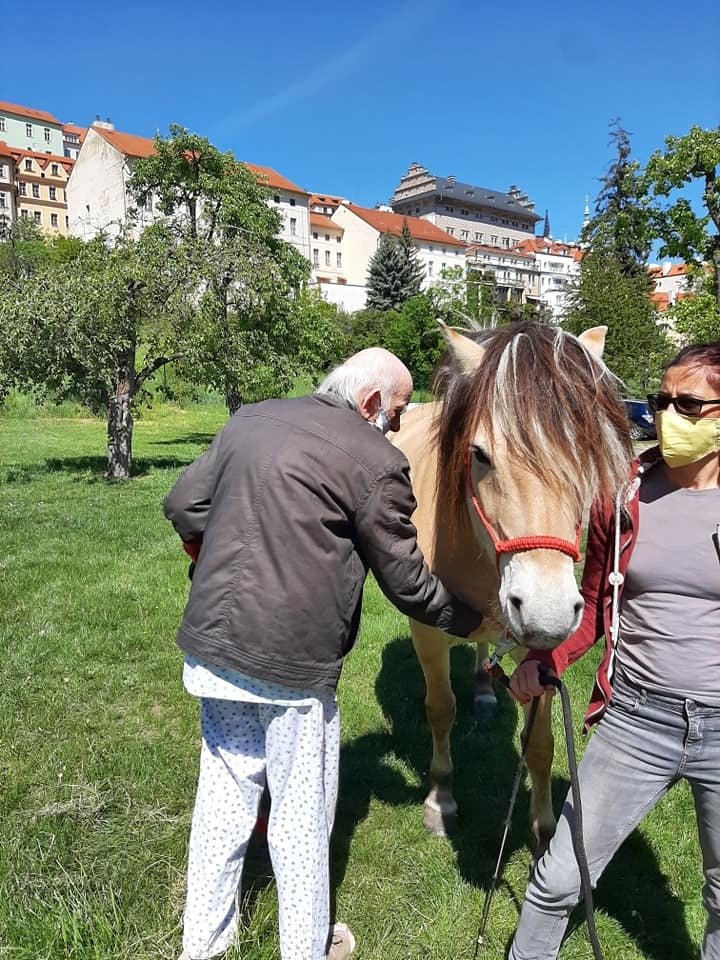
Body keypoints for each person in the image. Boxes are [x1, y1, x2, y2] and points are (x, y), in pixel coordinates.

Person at [164, 348, 489, 960]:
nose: (397, 428)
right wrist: (474, 621)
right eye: (396, 414)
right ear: (371, 403)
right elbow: (408, 582)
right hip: (294, 667)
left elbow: (183, 506)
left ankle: (202, 945)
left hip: (212, 648)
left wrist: (207, 561)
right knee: (300, 817)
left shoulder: (250, 419)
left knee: (224, 801)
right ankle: (308, 947)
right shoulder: (375, 461)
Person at [506, 342, 720, 960]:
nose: (667, 415)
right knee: (557, 880)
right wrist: (545, 660)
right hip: (638, 719)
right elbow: (598, 601)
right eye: (662, 400)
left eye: (688, 403)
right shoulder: (622, 494)